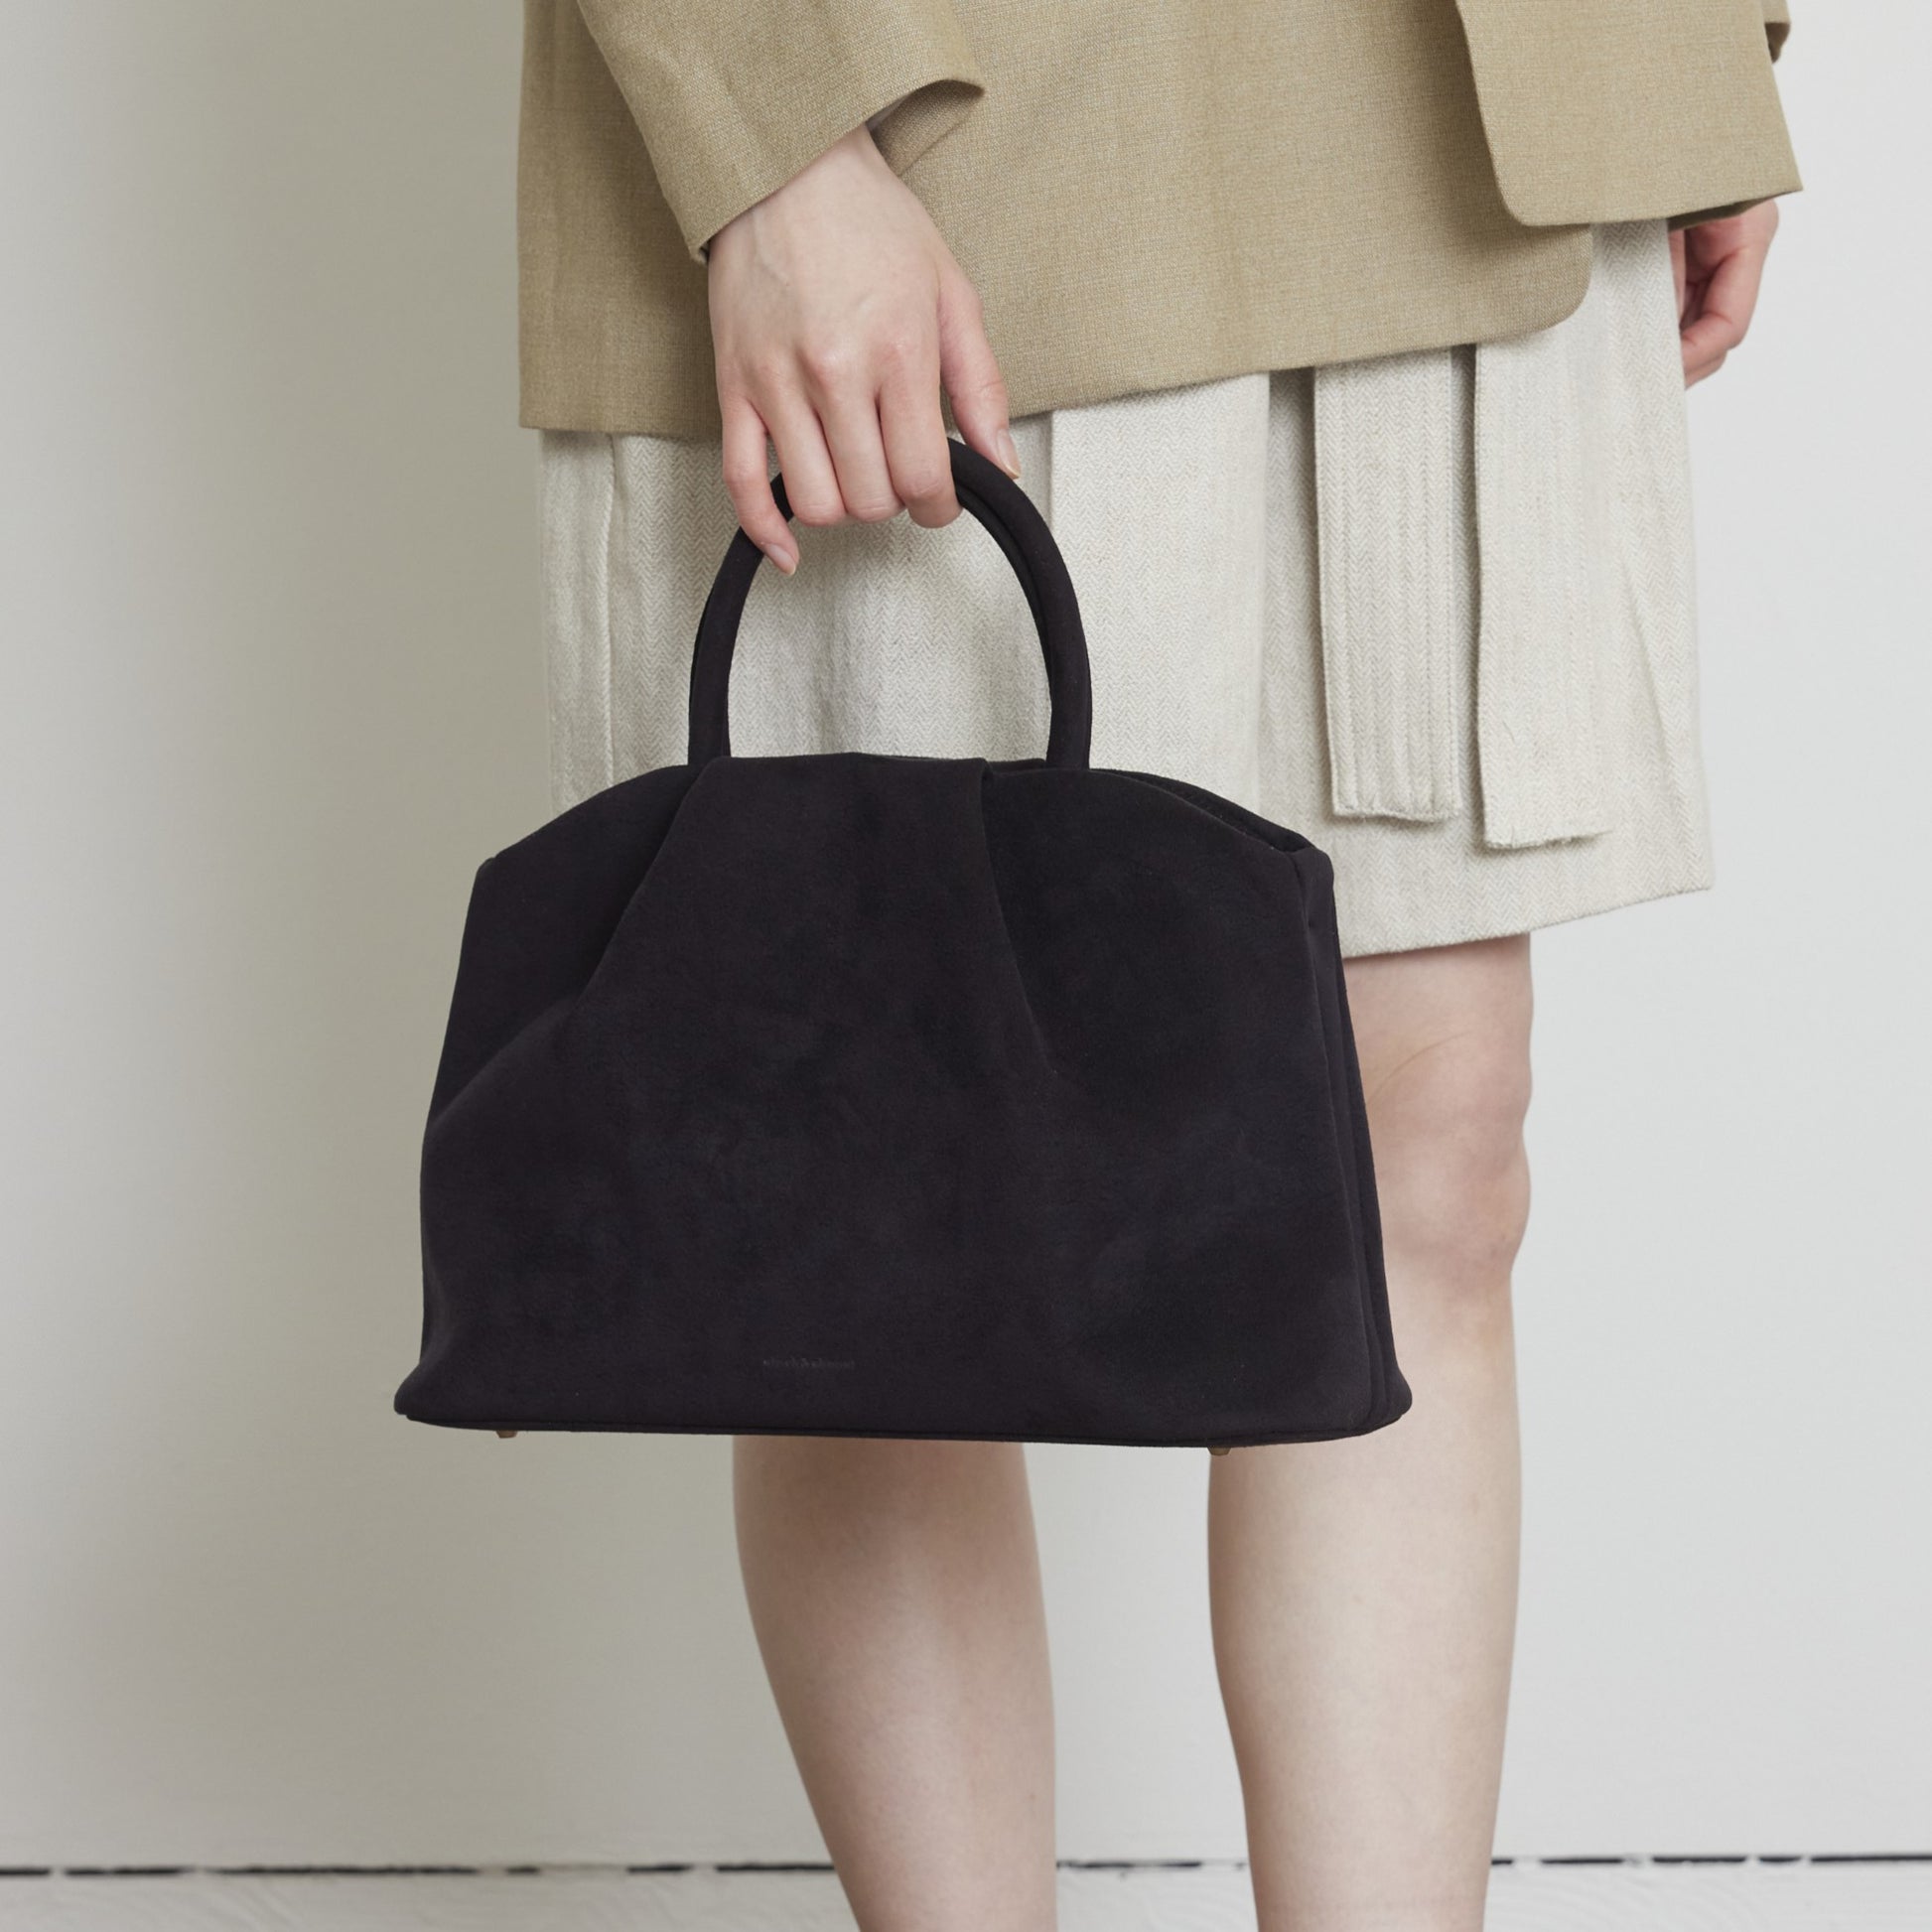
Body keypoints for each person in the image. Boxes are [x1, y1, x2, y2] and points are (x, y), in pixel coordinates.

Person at [513, 3, 1799, 1925]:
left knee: (1419, 1169)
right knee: (869, 1219)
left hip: (1479, 100)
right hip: (935, 114)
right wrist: (772, 142)